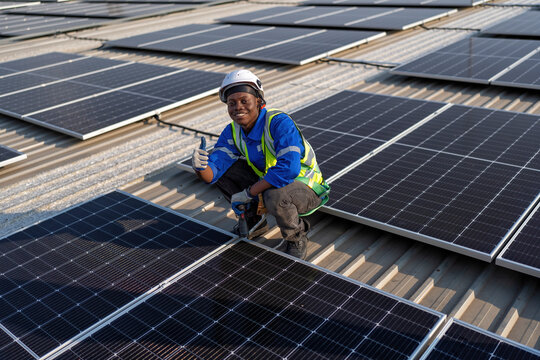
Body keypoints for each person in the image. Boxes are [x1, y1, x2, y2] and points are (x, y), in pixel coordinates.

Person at [191, 69, 329, 260]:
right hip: (270, 181)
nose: (238, 107)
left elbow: (289, 170)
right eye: (232, 103)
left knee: (274, 193)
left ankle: (296, 236)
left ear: (258, 100)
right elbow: (213, 174)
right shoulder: (233, 131)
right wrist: (200, 168)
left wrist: (248, 193)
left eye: (244, 101)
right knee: (227, 171)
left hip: (307, 188)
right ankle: (255, 221)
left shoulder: (278, 123)